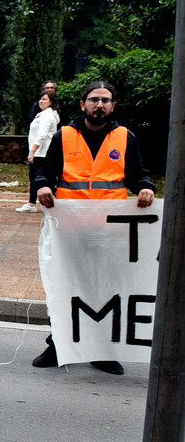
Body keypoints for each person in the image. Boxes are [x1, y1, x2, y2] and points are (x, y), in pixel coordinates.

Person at [30, 81, 156, 375]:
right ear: (82, 104)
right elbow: (44, 171)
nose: (99, 105)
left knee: (105, 291)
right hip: (70, 230)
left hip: (110, 232)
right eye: (94, 99)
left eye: (105, 100)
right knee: (65, 289)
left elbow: (139, 174)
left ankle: (101, 350)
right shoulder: (65, 136)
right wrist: (42, 186)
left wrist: (146, 188)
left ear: (113, 106)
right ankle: (58, 344)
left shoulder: (126, 137)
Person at [17, 92, 60, 213]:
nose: (41, 101)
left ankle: (34, 203)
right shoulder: (43, 114)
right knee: (40, 179)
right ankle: (33, 203)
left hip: (42, 152)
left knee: (39, 178)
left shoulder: (48, 115)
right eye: (40, 99)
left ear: (51, 101)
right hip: (40, 152)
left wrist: (32, 151)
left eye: (44, 99)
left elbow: (42, 135)